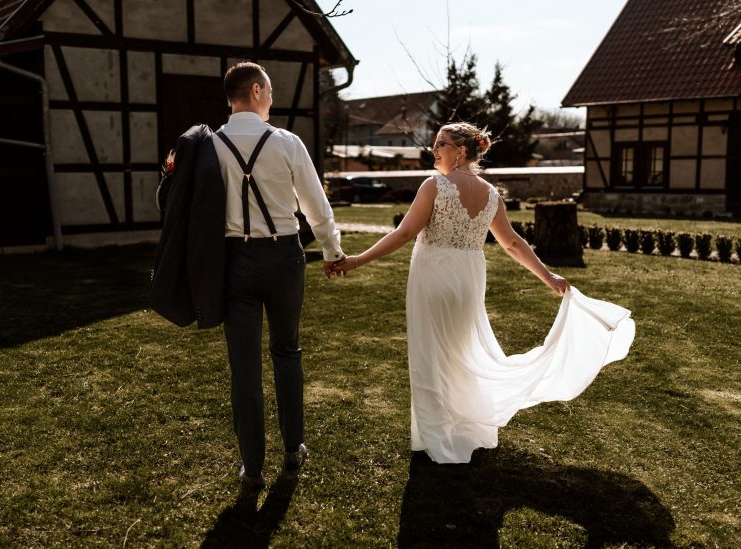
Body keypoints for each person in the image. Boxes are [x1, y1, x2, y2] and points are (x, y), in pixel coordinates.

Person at [332, 122, 635, 464]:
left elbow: (404, 235)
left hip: (434, 277)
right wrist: (546, 276)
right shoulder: (491, 194)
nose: (434, 151)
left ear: (460, 151)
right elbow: (512, 244)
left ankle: (437, 439)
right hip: (468, 280)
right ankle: (466, 430)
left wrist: (357, 260)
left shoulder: (434, 186)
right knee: (461, 353)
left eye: (441, 144)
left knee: (432, 356)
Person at [216, 62, 344, 487]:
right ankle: (293, 449)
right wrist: (332, 250)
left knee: (245, 368)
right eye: (269, 91)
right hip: (283, 257)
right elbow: (314, 205)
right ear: (255, 91)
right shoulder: (286, 142)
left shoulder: (210, 145)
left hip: (235, 261)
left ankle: (251, 469)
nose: (272, 99)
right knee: (286, 352)